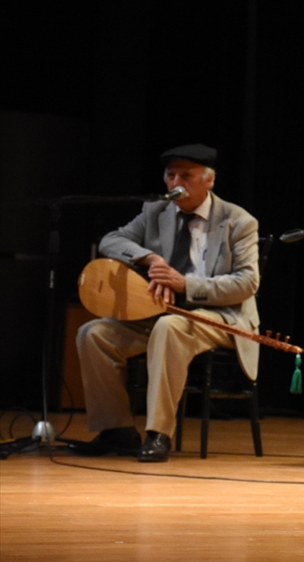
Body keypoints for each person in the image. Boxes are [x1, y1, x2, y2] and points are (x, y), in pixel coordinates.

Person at [70, 144, 261, 462]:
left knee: (169, 327)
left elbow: (247, 282)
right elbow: (111, 240)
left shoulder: (239, 221)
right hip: (161, 311)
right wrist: (150, 257)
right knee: (93, 334)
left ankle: (159, 434)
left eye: (185, 175)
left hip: (220, 317)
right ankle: (117, 430)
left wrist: (184, 284)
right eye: (170, 175)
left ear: (208, 180)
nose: (175, 182)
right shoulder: (155, 212)